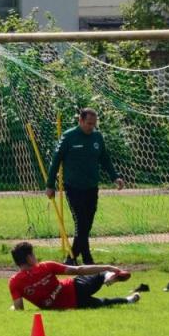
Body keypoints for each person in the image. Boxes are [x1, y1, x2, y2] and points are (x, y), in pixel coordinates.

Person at [45, 108, 124, 265]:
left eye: (94, 124)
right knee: (80, 221)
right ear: (80, 121)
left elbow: (105, 159)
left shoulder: (97, 137)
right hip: (73, 187)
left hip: (92, 187)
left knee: (87, 223)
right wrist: (50, 184)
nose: (91, 127)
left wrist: (115, 177)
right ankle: (86, 258)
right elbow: (55, 161)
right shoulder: (68, 137)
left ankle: (72, 258)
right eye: (88, 123)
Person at [8, 241, 139, 310]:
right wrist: (108, 266)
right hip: (76, 288)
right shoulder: (45, 266)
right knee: (97, 275)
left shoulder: (14, 282)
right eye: (34, 254)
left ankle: (128, 300)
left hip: (71, 304)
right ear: (29, 258)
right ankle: (108, 275)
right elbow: (78, 269)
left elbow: (19, 307)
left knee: (103, 303)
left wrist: (14, 308)